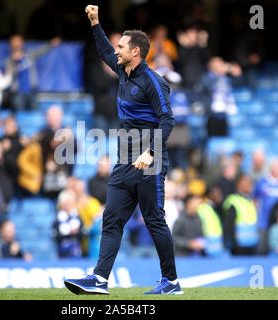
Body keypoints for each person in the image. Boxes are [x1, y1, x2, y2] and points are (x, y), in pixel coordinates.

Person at [64, 5, 182, 296]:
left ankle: (171, 281)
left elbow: (168, 120)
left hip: (149, 161)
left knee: (154, 220)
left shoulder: (154, 82)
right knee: (111, 217)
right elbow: (104, 51)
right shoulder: (124, 71)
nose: (116, 51)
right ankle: (100, 279)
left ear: (136, 52)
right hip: (125, 159)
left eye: (121, 47)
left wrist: (151, 153)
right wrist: (95, 23)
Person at [5, 34, 61, 110]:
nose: (17, 44)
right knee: (20, 116)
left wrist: (51, 44)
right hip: (17, 94)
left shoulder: (30, 55)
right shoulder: (8, 60)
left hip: (32, 91)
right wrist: (14, 62)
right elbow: (8, 77)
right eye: (14, 42)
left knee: (35, 114)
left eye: (19, 42)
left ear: (22, 44)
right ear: (10, 46)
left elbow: (41, 51)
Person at [198, 56, 239, 137]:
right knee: (212, 139)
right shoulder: (206, 77)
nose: (222, 67)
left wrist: (236, 74)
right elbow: (209, 87)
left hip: (224, 114)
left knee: (224, 138)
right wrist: (219, 75)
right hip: (211, 115)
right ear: (212, 67)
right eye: (219, 65)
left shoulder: (225, 78)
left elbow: (237, 84)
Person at [253, 158, 278, 255]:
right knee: (262, 249)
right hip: (263, 223)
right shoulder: (261, 183)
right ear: (272, 168)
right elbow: (255, 200)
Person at [222, 175, 259, 255]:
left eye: (249, 183)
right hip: (238, 246)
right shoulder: (233, 200)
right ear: (238, 185)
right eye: (245, 183)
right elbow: (229, 225)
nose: (248, 185)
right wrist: (233, 243)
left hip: (251, 244)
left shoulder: (250, 201)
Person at [53, 189, 83, 258]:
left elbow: (82, 234)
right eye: (66, 203)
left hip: (77, 251)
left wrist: (76, 232)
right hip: (63, 251)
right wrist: (69, 233)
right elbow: (56, 236)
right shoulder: (58, 217)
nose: (68, 205)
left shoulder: (78, 216)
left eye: (70, 202)